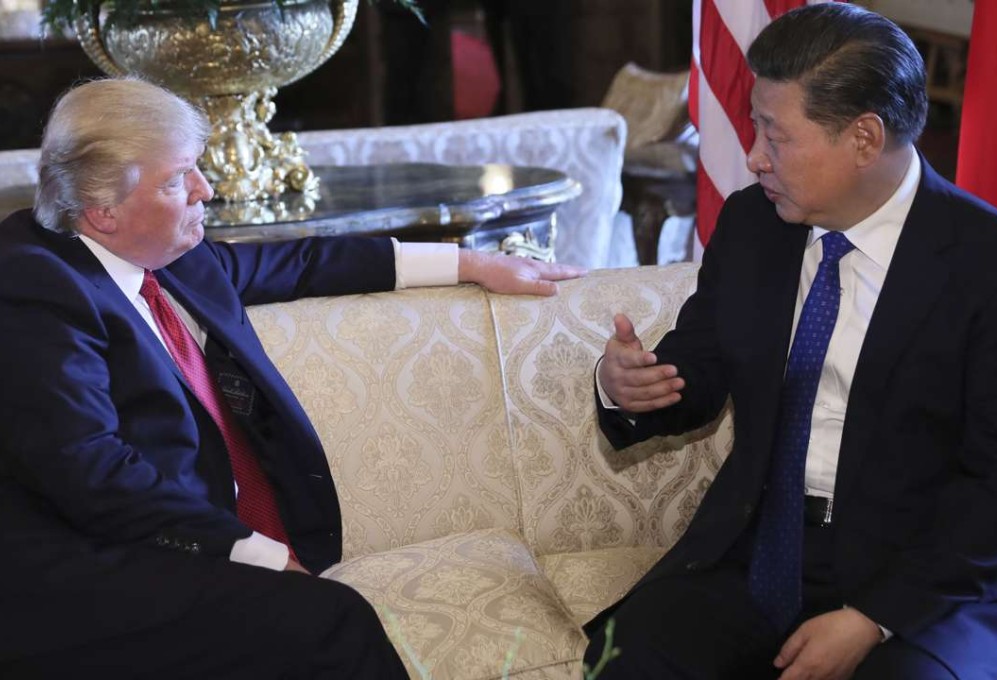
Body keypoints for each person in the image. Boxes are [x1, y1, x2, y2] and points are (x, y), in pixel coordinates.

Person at [0, 76, 584, 677]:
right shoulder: (33, 285)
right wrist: (258, 554)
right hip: (87, 568)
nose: (206, 189)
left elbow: (303, 262)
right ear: (103, 210)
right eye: (178, 180)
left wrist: (474, 262)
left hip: (181, 548)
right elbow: (93, 472)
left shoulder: (169, 255)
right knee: (331, 621)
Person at [585, 4, 997, 679]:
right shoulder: (755, 224)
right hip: (761, 552)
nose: (754, 158)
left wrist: (873, 617)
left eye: (776, 136)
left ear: (865, 139)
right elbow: (698, 366)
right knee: (630, 655)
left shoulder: (996, 264)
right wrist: (630, 387)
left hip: (926, 580)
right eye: (753, 127)